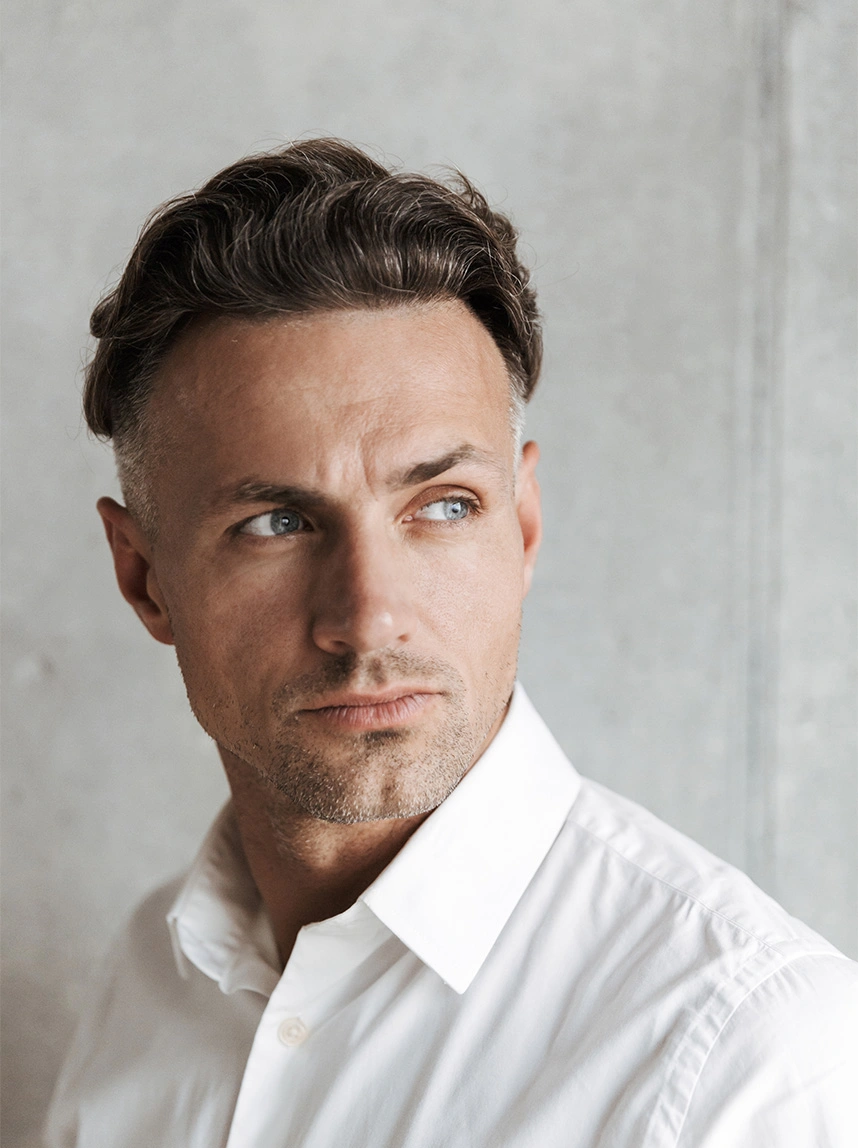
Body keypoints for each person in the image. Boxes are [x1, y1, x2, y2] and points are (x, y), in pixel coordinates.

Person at [46, 139, 857, 1148]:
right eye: (275, 524)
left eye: (442, 505)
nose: (370, 614)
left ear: (521, 525)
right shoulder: (147, 985)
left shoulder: (747, 1058)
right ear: (142, 574)